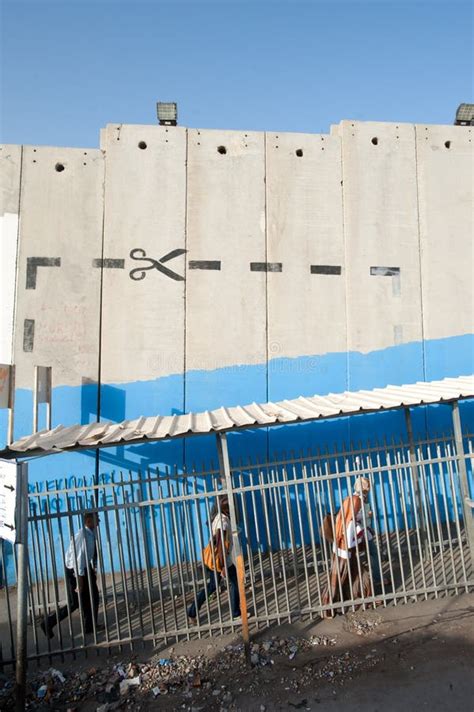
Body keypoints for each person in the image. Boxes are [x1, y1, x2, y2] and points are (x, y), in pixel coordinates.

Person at [41, 511, 102, 638]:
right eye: (97, 519)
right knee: (75, 602)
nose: (99, 522)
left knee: (93, 596)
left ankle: (90, 627)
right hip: (75, 570)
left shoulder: (90, 534)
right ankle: (48, 623)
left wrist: (91, 569)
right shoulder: (82, 536)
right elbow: (77, 559)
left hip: (85, 568)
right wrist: (80, 580)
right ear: (89, 521)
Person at [321, 476, 373, 617]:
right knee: (339, 577)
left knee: (355, 573)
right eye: (368, 487)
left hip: (343, 543)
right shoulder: (357, 501)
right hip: (346, 545)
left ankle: (362, 596)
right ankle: (328, 607)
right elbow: (350, 523)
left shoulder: (349, 499)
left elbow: (344, 518)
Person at [188, 496, 240, 624]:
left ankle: (192, 612)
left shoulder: (219, 517)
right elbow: (220, 545)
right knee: (231, 583)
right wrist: (222, 566)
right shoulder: (223, 522)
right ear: (228, 509)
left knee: (213, 586)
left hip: (219, 560)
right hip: (220, 561)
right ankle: (235, 613)